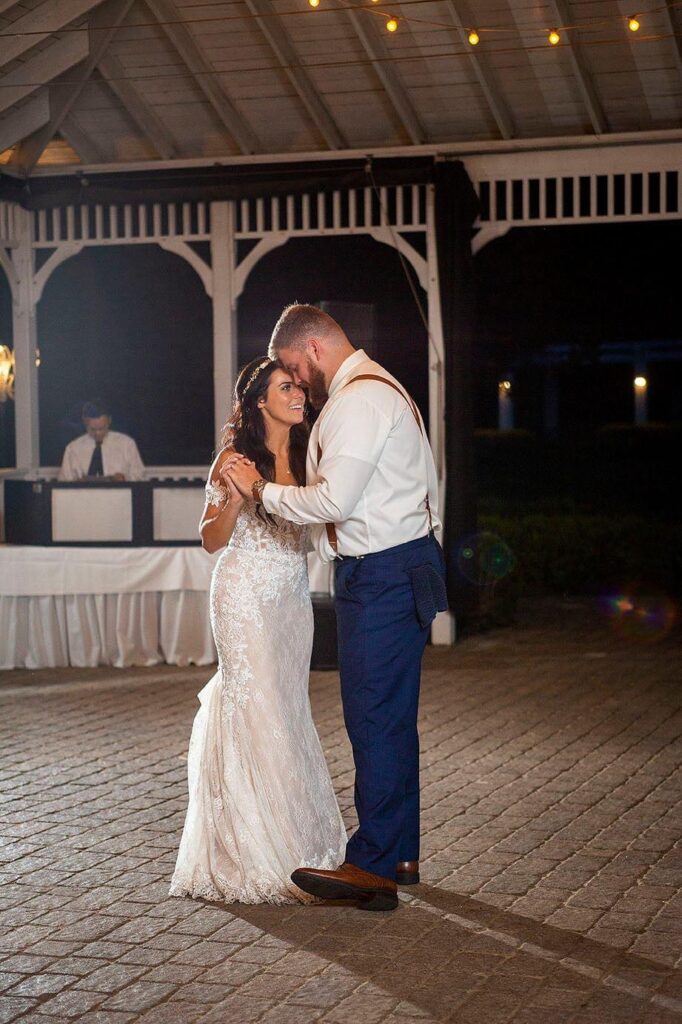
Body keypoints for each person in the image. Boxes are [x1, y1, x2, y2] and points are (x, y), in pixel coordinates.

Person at [226, 304, 448, 912]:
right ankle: (400, 851)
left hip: (382, 574)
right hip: (401, 565)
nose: (301, 383)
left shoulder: (358, 400)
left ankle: (372, 866)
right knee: (393, 717)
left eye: (298, 369)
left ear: (315, 348)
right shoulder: (377, 387)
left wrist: (262, 492)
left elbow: (333, 499)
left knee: (374, 717)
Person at [170, 357, 346, 905]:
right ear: (259, 401)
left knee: (286, 707)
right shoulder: (235, 459)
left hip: (291, 598)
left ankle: (298, 838)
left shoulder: (307, 453)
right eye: (286, 387)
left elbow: (321, 520)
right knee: (255, 701)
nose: (299, 394)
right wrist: (237, 500)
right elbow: (210, 538)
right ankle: (249, 850)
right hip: (242, 592)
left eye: (298, 386)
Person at [58, 400, 145, 481]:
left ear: (109, 421)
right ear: (84, 422)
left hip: (119, 496)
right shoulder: (72, 449)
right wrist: (77, 482)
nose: (98, 433)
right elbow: (64, 481)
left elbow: (140, 476)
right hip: (82, 496)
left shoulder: (127, 444)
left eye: (102, 428)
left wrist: (124, 478)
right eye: (92, 429)